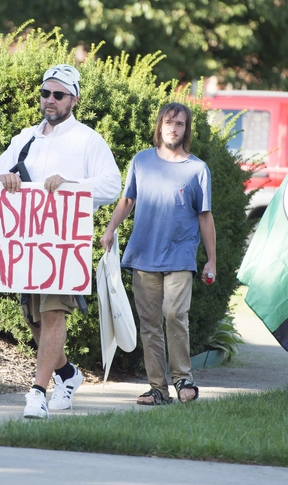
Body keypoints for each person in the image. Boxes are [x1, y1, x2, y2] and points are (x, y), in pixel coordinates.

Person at [0, 64, 121, 419]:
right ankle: (67, 374)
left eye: (58, 95)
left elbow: (112, 186)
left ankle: (36, 392)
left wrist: (72, 184)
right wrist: (4, 177)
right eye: (45, 93)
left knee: (52, 313)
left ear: (73, 99)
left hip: (63, 244)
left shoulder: (88, 140)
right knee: (34, 319)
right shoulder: (26, 138)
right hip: (28, 245)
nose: (50, 100)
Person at [100, 102, 216, 405]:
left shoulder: (197, 169)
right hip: (143, 254)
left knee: (175, 314)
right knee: (149, 323)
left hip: (180, 254)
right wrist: (110, 229)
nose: (173, 128)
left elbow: (205, 216)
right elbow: (128, 200)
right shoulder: (141, 161)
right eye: (168, 122)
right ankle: (158, 388)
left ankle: (183, 377)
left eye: (179, 124)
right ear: (159, 125)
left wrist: (212, 259)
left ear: (186, 129)